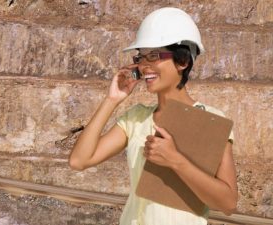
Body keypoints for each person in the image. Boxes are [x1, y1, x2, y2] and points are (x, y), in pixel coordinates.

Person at [68, 7, 237, 225]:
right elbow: (79, 161)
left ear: (183, 61)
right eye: (140, 57)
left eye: (154, 56)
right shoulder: (135, 119)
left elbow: (228, 203)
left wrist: (176, 161)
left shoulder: (210, 119)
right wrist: (112, 99)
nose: (144, 65)